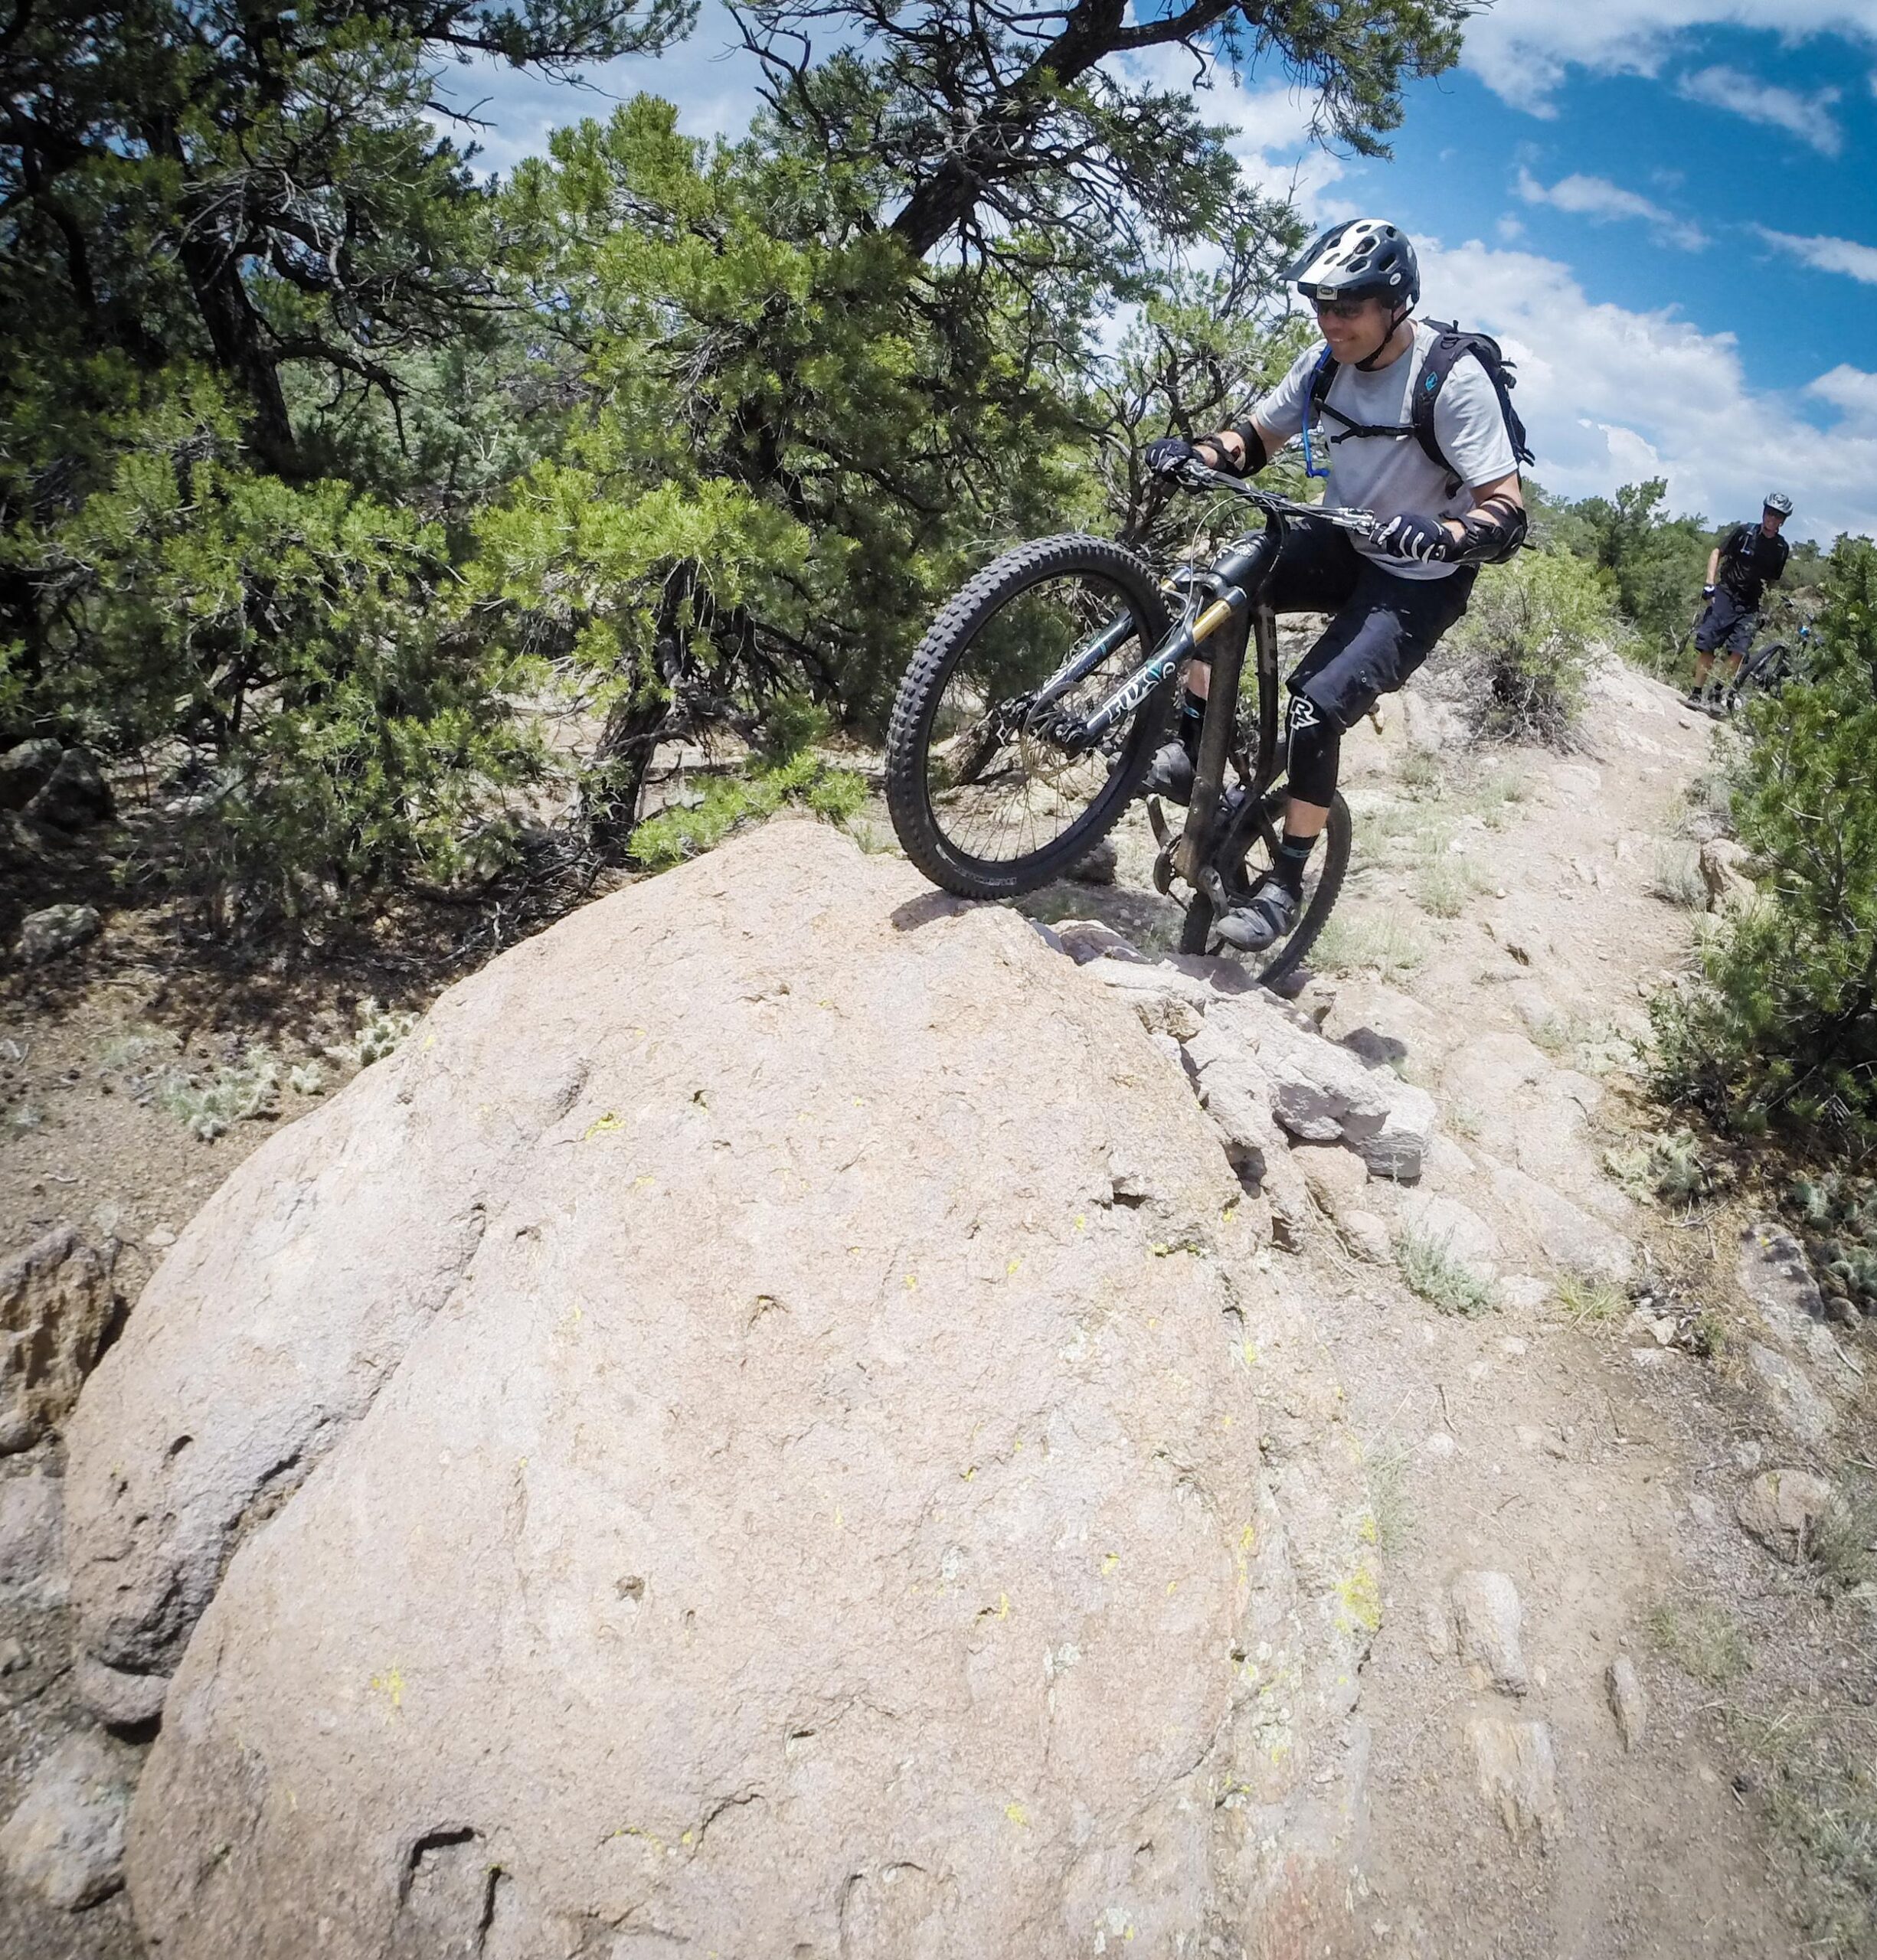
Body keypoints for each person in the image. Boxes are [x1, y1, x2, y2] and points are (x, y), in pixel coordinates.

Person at [1141, 218, 1527, 952]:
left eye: (1346, 306)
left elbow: (1505, 510)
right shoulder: (1325, 362)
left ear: (1395, 304)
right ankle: (1194, 747)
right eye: (1320, 304)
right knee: (1223, 586)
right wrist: (1197, 454)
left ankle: (1287, 881)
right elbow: (1255, 438)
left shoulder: (1450, 380)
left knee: (1315, 709)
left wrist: (1443, 534)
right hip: (1348, 538)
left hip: (1420, 574)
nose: (1329, 321)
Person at [1686, 495, 1793, 714]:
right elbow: (1717, 552)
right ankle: (1696, 692)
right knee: (1708, 644)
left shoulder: (1781, 548)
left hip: (1751, 604)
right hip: (1726, 593)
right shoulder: (1744, 533)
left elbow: (1772, 580)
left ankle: (1716, 693)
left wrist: (1766, 607)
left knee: (1738, 652)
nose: (1772, 518)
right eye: (1769, 513)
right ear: (1763, 512)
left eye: (1777, 516)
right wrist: (1709, 583)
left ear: (1782, 521)